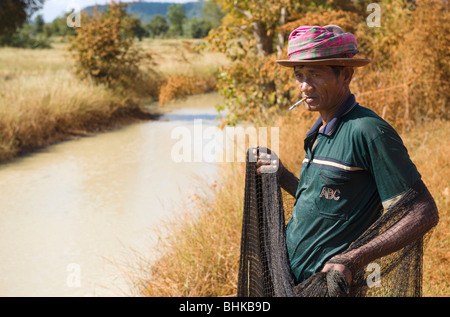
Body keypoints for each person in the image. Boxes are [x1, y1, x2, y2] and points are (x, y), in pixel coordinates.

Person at [256, 25, 439, 287]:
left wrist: (353, 259)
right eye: (299, 75)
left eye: (315, 75)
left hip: (330, 288)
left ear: (346, 75)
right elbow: (323, 203)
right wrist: (282, 175)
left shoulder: (368, 131)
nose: (304, 86)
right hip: (292, 282)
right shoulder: (318, 132)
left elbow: (423, 211)